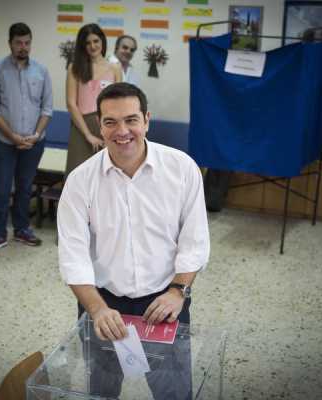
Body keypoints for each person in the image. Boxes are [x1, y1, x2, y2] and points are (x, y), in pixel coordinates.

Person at [57, 83, 210, 399]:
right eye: (110, 122)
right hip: (102, 302)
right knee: (102, 390)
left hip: (166, 299)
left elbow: (194, 242)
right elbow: (73, 256)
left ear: (147, 120)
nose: (122, 131)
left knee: (173, 391)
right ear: (99, 125)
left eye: (131, 120)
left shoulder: (182, 169)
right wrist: (97, 310)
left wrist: (178, 292)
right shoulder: (80, 181)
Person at [0, 23, 53, 254]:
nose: (23, 47)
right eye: (18, 43)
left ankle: (22, 229)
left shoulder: (41, 71)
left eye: (27, 42)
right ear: (10, 43)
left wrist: (36, 135)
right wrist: (12, 136)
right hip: (4, 142)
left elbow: (47, 108)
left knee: (25, 187)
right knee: (2, 189)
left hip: (34, 142)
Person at [65, 23, 121, 176]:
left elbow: (119, 104)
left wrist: (113, 132)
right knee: (78, 175)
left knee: (106, 175)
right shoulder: (74, 68)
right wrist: (88, 135)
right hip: (81, 128)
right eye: (88, 42)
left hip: (108, 126)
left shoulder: (115, 68)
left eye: (96, 41)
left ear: (102, 41)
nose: (92, 46)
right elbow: (71, 104)